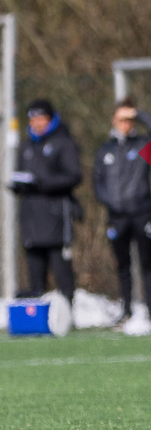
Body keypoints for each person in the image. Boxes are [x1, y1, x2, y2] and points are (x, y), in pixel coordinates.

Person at [93, 98, 151, 325]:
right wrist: (111, 202)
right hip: (117, 217)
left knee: (146, 264)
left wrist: (139, 113)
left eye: (130, 119)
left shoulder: (142, 144)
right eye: (122, 119)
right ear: (114, 120)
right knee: (122, 265)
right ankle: (126, 311)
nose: (126, 124)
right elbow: (98, 183)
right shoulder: (105, 150)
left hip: (142, 213)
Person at [9, 99, 82, 304]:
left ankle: (68, 309)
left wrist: (41, 183)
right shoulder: (27, 145)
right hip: (31, 218)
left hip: (56, 217)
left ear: (50, 119)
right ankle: (36, 315)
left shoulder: (64, 143)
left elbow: (74, 176)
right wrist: (19, 185)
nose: (36, 123)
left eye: (41, 118)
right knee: (34, 271)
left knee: (61, 268)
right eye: (33, 118)